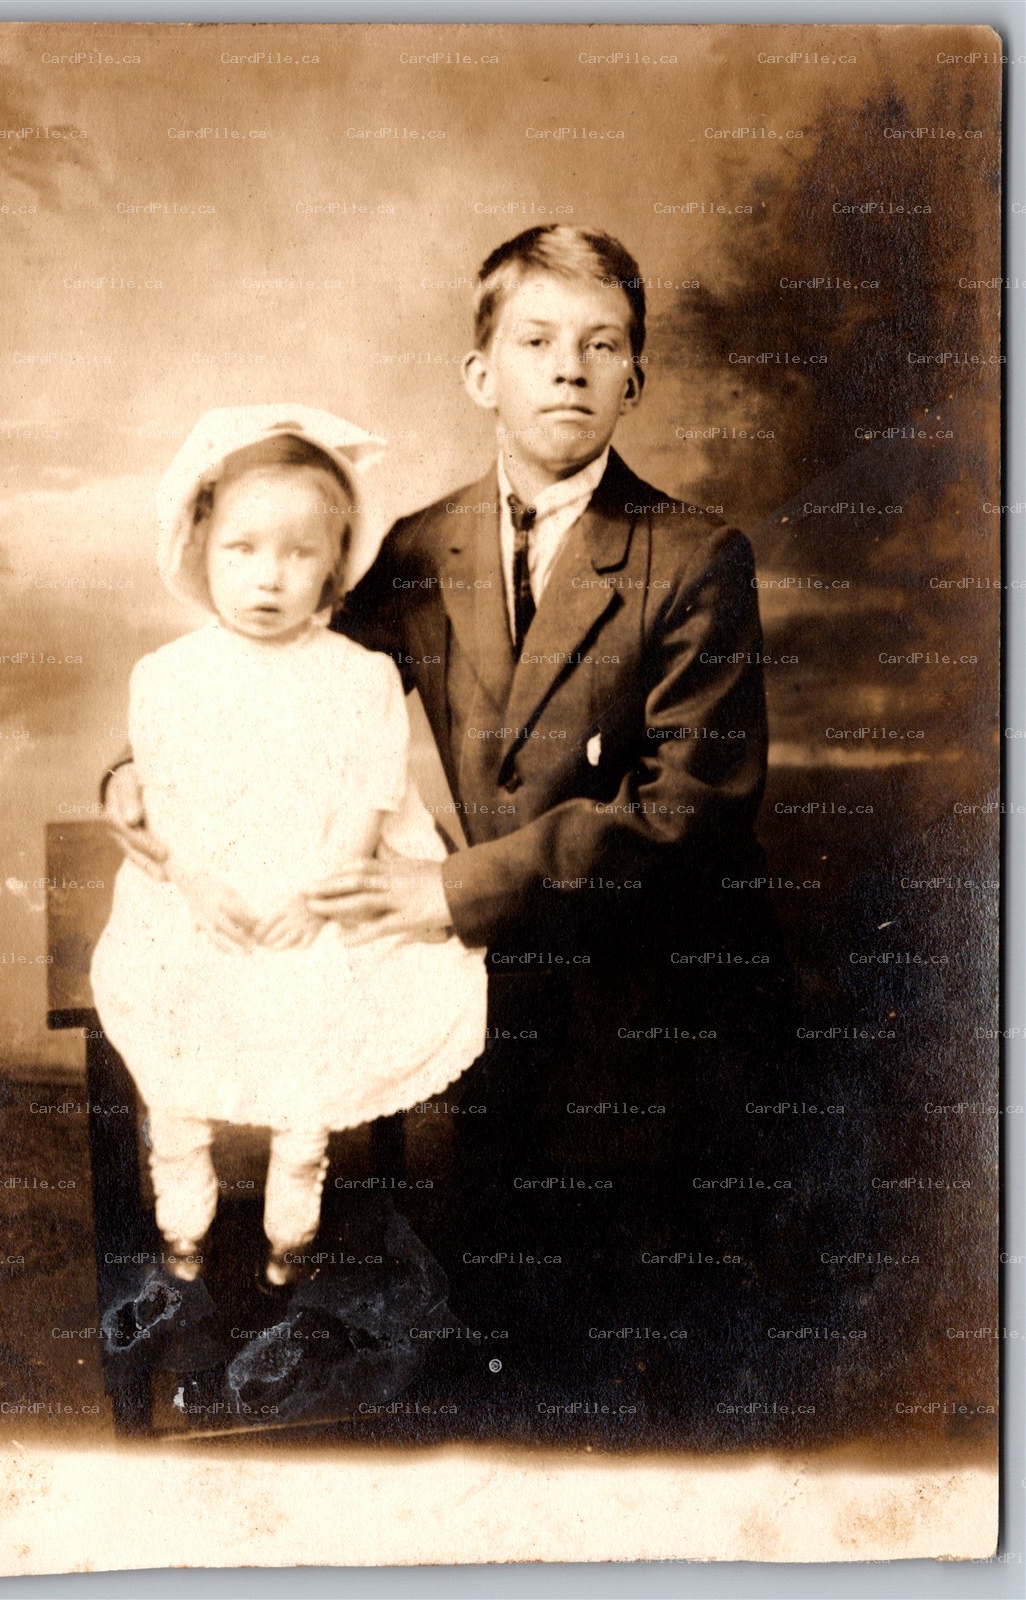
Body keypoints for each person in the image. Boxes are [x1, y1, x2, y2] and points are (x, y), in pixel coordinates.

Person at [106, 228, 794, 1330]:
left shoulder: (697, 556)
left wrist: (448, 890)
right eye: (535, 340)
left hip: (658, 987)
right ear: (483, 375)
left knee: (658, 1316)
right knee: (508, 1303)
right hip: (505, 987)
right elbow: (282, 675)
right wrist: (139, 769)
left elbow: (689, 809)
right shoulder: (425, 547)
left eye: (600, 343)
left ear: (635, 378)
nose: (567, 367)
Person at [90, 406, 488, 1288]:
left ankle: (298, 1177)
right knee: (172, 996)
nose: (269, 578)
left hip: (320, 877)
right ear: (200, 549)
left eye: (298, 554)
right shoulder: (167, 676)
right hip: (206, 885)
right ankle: (182, 1166)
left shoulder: (360, 674)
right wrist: (194, 884)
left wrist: (317, 894)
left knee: (319, 998)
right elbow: (165, 797)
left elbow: (370, 795)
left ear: (333, 565)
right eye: (243, 550)